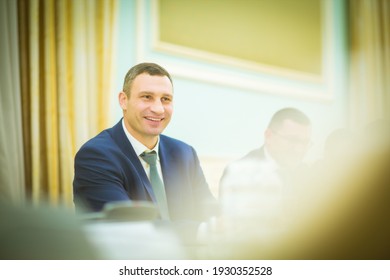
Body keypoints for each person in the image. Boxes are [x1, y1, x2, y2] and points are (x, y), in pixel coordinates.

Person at [73, 62, 217, 222]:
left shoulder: (185, 153)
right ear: (123, 100)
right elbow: (127, 229)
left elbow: (211, 215)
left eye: (165, 99)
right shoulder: (96, 156)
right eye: (147, 97)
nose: (158, 109)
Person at [218, 108, 312, 237]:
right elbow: (231, 231)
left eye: (304, 142)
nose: (299, 150)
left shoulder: (307, 173)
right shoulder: (238, 173)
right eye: (292, 140)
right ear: (269, 136)